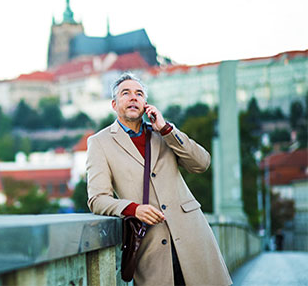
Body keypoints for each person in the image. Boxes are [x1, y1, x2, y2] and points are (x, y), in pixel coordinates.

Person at [86, 73, 232, 286]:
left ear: (146, 103)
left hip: (193, 236)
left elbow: (201, 163)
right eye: (126, 93)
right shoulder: (99, 143)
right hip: (151, 246)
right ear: (114, 104)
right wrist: (133, 209)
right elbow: (97, 199)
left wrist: (166, 129)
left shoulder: (164, 133)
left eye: (139, 94)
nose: (133, 97)